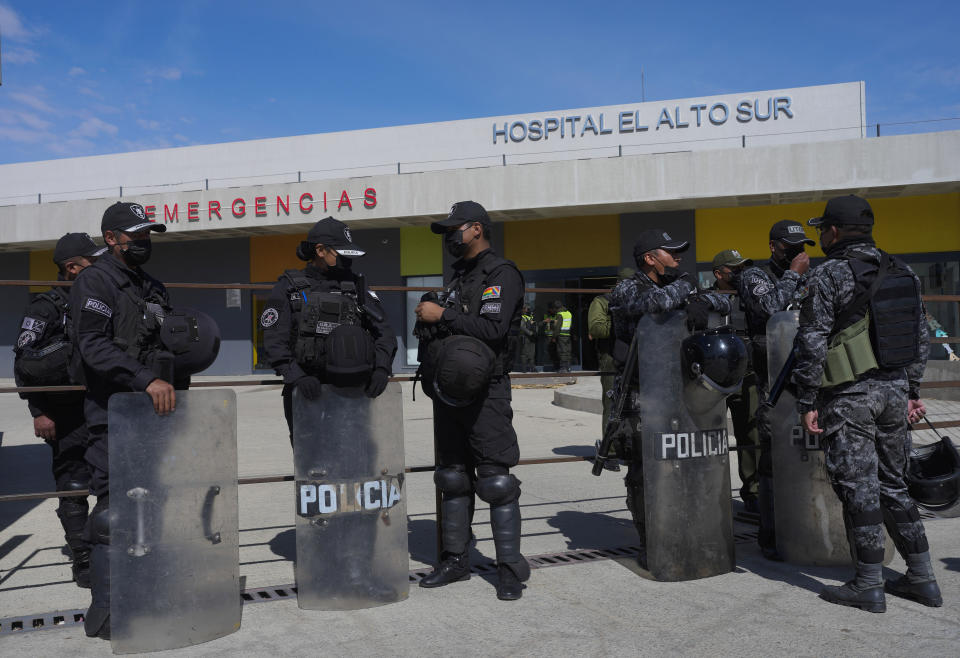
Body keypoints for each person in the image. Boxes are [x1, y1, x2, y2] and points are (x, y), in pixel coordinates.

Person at [794, 195, 941, 613]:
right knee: (894, 484)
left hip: (849, 396)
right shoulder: (904, 271)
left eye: (823, 229)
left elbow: (813, 341)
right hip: (895, 391)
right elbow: (920, 337)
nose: (821, 236)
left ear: (834, 232)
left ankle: (868, 584)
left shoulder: (829, 275)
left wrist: (807, 398)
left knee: (860, 488)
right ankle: (923, 578)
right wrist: (911, 389)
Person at [70, 202, 176, 640]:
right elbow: (92, 345)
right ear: (111, 238)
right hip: (112, 408)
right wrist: (144, 377)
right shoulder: (96, 280)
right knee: (114, 512)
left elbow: (164, 338)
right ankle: (111, 614)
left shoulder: (150, 285)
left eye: (148, 234)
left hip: (154, 410)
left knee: (151, 505)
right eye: (136, 235)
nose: (144, 241)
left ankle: (148, 595)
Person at [414, 200, 530, 600]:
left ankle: (509, 567)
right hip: (450, 393)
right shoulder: (459, 276)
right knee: (452, 476)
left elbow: (493, 329)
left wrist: (440, 316)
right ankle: (455, 561)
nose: (450, 236)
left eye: (455, 228)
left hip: (487, 391)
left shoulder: (501, 273)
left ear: (477, 229)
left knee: (495, 480)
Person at [609, 229, 732, 542]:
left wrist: (700, 300)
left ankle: (685, 529)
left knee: (686, 460)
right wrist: (687, 287)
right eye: (670, 252)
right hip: (641, 394)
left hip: (678, 388)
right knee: (644, 470)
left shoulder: (673, 286)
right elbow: (652, 304)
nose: (678, 258)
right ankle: (650, 538)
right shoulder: (628, 288)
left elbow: (723, 301)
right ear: (650, 259)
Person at [13, 233, 106, 588]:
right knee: (74, 484)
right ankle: (83, 560)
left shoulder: (100, 301)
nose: (100, 268)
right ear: (72, 268)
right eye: (92, 262)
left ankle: (105, 547)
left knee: (109, 480)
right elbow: (25, 362)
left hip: (99, 407)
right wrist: (39, 411)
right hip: (63, 416)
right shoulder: (46, 307)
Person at [259, 216, 396, 442]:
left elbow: (384, 332)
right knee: (313, 467)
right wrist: (298, 378)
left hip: (354, 394)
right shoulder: (288, 287)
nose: (347, 262)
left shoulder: (356, 287)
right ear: (320, 250)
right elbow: (274, 341)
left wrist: (381, 368)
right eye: (342, 255)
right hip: (307, 393)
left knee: (359, 462)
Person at [736, 220, 812, 560]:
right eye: (789, 246)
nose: (797, 252)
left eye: (801, 246)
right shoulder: (755, 277)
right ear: (772, 247)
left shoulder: (811, 276)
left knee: (808, 453)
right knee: (773, 456)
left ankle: (807, 524)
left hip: (807, 378)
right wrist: (794, 274)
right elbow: (769, 310)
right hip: (772, 381)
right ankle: (772, 535)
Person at [710, 250, 759, 512]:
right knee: (709, 436)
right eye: (734, 269)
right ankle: (709, 492)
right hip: (713, 380)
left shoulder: (750, 298)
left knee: (749, 432)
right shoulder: (704, 298)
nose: (739, 274)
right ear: (719, 274)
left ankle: (753, 491)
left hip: (746, 374)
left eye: (742, 268)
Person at [587, 267, 634, 433]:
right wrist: (621, 324)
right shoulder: (602, 301)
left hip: (635, 358)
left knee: (636, 405)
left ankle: (632, 447)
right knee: (612, 403)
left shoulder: (640, 301)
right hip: (611, 358)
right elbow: (595, 328)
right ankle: (611, 450)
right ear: (618, 284)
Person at [554, 301, 573, 372]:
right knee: (568, 351)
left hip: (561, 335)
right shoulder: (569, 313)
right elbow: (570, 325)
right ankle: (568, 367)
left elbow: (557, 327)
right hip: (568, 334)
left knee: (562, 351)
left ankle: (563, 368)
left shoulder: (559, 314)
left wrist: (554, 337)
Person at [519, 304, 536, 372]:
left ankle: (532, 367)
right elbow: (522, 327)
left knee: (532, 353)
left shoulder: (530, 317)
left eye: (529, 309)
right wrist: (530, 333)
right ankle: (524, 368)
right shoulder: (522, 317)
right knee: (524, 353)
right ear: (523, 310)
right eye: (527, 309)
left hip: (532, 338)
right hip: (525, 337)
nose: (528, 310)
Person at [542, 304, 559, 370]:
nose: (553, 310)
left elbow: (557, 323)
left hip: (554, 336)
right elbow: (544, 322)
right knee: (547, 352)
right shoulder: (546, 315)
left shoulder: (557, 315)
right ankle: (546, 366)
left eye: (554, 309)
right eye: (552, 309)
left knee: (555, 352)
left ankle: (555, 366)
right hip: (547, 337)